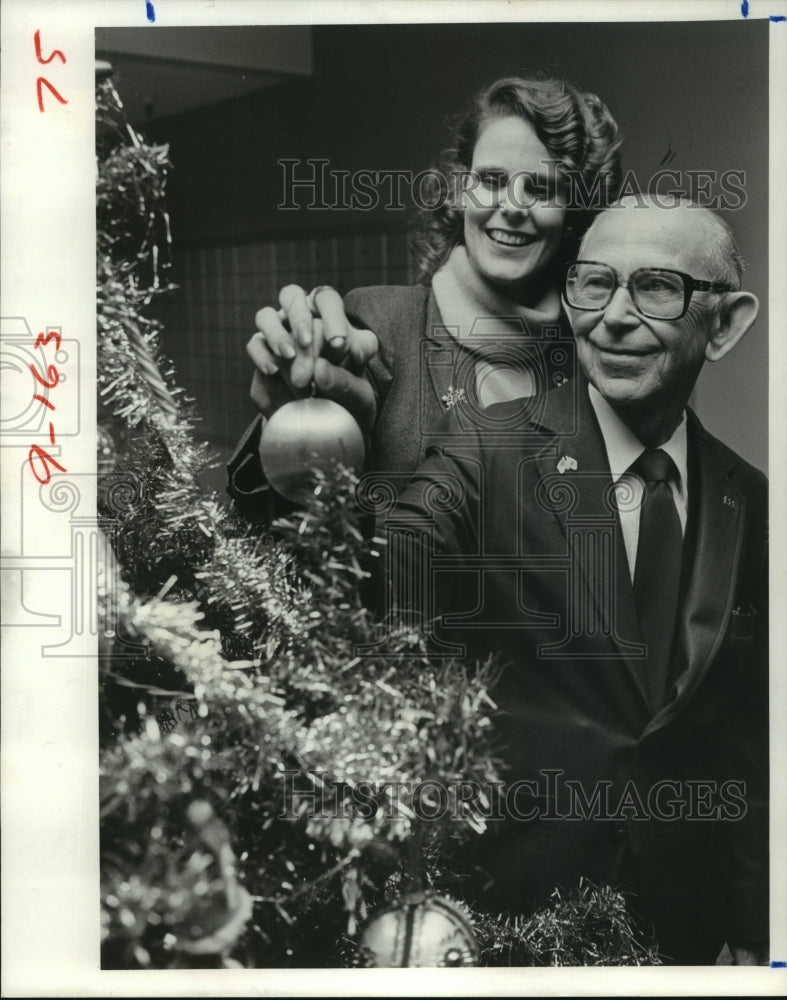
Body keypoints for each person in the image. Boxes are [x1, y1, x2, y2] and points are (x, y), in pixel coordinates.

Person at [383, 196, 768, 966]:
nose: (613, 318)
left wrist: (757, 927)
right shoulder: (484, 450)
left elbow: (752, 739)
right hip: (515, 920)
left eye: (655, 288)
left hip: (685, 933)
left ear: (722, 324)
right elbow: (382, 565)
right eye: (592, 284)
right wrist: (298, 443)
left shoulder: (749, 499)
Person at [227, 75, 622, 515]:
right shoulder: (379, 325)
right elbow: (278, 526)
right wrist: (293, 422)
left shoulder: (592, 350)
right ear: (461, 189)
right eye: (491, 179)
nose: (511, 205)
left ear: (574, 211)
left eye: (541, 188)